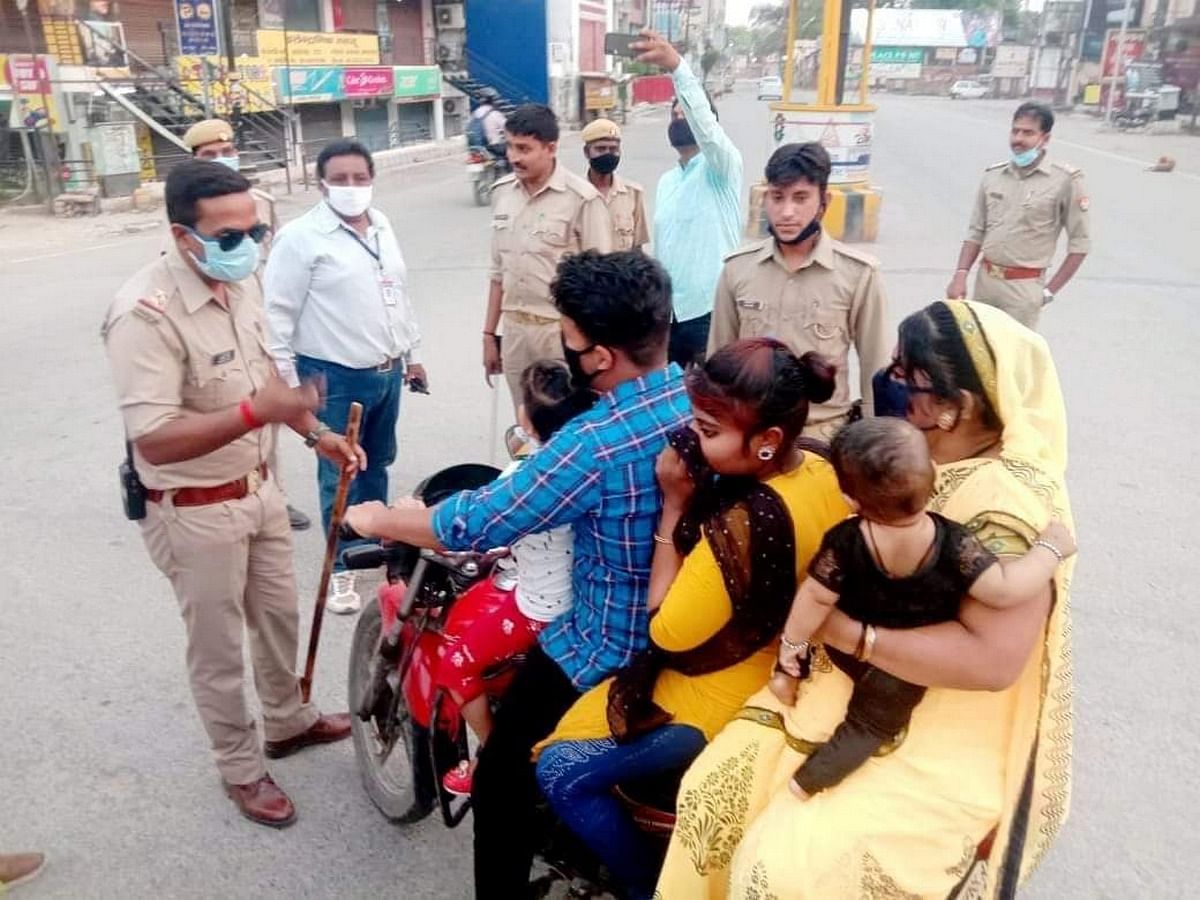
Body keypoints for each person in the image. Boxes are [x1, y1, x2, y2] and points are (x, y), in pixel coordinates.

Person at [656, 299, 1076, 899]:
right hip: (844, 682)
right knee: (708, 798)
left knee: (780, 872)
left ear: (958, 407)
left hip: (932, 722)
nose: (898, 388)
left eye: (911, 379)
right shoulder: (918, 459)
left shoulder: (1005, 507)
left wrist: (851, 635)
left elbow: (992, 662)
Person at [345, 250, 691, 898]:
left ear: (601, 358)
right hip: (691, 635)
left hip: (605, 650)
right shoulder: (699, 397)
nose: (569, 350)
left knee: (499, 779)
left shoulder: (594, 442)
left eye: (573, 339)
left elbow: (477, 521)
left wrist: (383, 520)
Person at [534, 339, 849, 900]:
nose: (696, 442)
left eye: (709, 430)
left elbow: (667, 627)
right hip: (798, 663)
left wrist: (674, 508)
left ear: (768, 441)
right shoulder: (822, 465)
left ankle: (644, 887)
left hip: (721, 691)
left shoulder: (743, 524)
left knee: (560, 769)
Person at [102, 161, 360, 827]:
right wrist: (258, 415)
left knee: (278, 617)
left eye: (256, 229)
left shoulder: (239, 282)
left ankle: (288, 720)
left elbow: (266, 380)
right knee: (217, 653)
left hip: (259, 491)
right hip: (193, 512)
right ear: (183, 236)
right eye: (227, 235)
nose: (245, 244)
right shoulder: (145, 313)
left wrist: (317, 434)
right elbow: (153, 439)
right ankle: (241, 768)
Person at [769, 416, 1075, 801]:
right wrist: (1050, 550)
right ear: (933, 474)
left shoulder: (845, 540)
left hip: (845, 647)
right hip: (903, 670)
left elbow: (815, 596)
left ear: (851, 500)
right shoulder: (954, 543)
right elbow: (1004, 591)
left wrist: (792, 646)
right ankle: (807, 783)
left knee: (801, 625)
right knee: (869, 726)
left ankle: (786, 679)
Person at [264, 140, 426, 615]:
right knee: (339, 472)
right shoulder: (301, 237)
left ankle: (375, 545)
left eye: (360, 178)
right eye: (340, 179)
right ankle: (340, 570)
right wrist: (292, 387)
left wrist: (410, 353)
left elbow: (396, 292)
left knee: (377, 464)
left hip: (385, 370)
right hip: (334, 377)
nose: (351, 188)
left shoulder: (381, 225)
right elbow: (276, 316)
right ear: (322, 183)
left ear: (372, 179)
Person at [437, 359, 593, 797]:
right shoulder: (589, 461)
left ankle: (494, 755)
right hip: (583, 602)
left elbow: (474, 527)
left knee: (454, 665)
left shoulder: (523, 476)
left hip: (537, 609)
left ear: (525, 418)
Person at [179, 118, 312, 532]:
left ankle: (273, 494)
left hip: (254, 310)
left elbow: (270, 258)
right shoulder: (186, 205)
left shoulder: (260, 200)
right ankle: (219, 493)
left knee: (267, 407)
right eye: (209, 155)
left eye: (226, 151)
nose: (222, 160)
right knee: (231, 406)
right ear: (194, 160)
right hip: (211, 317)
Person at [709, 143, 889, 440]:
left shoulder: (858, 275)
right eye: (777, 198)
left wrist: (873, 445)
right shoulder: (737, 270)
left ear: (824, 202)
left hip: (822, 436)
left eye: (800, 198)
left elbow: (876, 373)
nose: (786, 212)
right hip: (752, 434)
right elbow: (719, 362)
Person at [482, 104, 613, 412]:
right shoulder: (502, 194)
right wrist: (489, 334)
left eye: (524, 149)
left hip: (561, 336)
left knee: (566, 423)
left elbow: (603, 284)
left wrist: (593, 347)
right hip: (515, 333)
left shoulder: (582, 199)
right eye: (510, 146)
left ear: (551, 148)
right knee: (524, 424)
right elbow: (497, 272)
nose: (514, 157)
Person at [633, 29, 743, 369]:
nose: (678, 118)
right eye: (673, 115)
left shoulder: (721, 167)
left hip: (710, 312)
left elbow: (706, 128)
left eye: (685, 114)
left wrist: (677, 68)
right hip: (668, 317)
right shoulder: (668, 181)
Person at [946, 102, 1090, 329]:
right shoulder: (994, 176)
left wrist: (1048, 292)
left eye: (1028, 133)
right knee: (978, 355)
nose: (1018, 139)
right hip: (986, 284)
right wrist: (961, 274)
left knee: (1014, 359)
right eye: (1015, 131)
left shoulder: (1065, 180)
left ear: (1045, 138)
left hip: (1024, 288)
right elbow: (976, 231)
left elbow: (1080, 244)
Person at [580, 117, 649, 252]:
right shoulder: (574, 194)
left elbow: (637, 248)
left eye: (613, 149)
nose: (608, 154)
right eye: (600, 149)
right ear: (587, 152)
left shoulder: (633, 193)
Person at [469, 87, 508, 160]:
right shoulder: (495, 113)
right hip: (495, 147)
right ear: (492, 100)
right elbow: (508, 127)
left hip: (478, 147)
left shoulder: (475, 113)